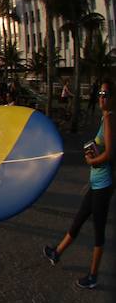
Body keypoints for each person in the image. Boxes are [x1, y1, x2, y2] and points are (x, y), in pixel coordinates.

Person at [43, 79, 114, 289]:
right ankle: (56, 253)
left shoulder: (110, 119)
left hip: (103, 185)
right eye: (100, 93)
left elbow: (110, 154)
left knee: (99, 232)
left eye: (106, 94)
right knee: (79, 219)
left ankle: (93, 276)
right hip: (96, 184)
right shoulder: (105, 118)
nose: (101, 97)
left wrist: (92, 160)